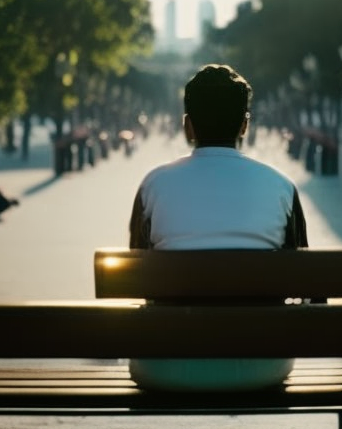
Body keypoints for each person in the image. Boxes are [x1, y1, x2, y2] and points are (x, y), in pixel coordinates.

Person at [128, 63, 308, 391]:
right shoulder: (281, 186)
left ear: (187, 126)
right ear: (245, 125)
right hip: (263, 366)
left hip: (167, 366)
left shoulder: (153, 185)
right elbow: (306, 281)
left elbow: (139, 271)